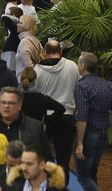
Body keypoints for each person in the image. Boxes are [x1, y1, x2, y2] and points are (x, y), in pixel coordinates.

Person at [74, 52, 112, 191]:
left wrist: (80, 142)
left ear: (82, 66)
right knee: (91, 173)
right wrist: (107, 123)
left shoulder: (82, 86)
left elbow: (82, 116)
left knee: (83, 176)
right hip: (103, 133)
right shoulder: (108, 85)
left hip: (89, 134)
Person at [34, 40, 79, 184]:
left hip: (46, 119)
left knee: (42, 156)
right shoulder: (72, 66)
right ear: (60, 51)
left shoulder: (37, 70)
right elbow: (78, 88)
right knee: (63, 160)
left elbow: (35, 94)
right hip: (67, 116)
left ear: (45, 52)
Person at [0, 87, 46, 153]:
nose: (6, 106)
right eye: (3, 102)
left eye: (11, 103)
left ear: (19, 106)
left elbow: (46, 156)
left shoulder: (35, 126)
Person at [15, 16, 42, 80]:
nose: (17, 24)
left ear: (26, 26)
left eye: (20, 22)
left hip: (26, 82)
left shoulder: (24, 42)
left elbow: (29, 66)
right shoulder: (36, 40)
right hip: (36, 80)